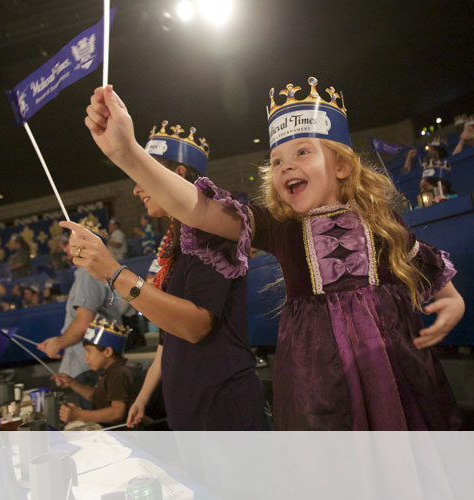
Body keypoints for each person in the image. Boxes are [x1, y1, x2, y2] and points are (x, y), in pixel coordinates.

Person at [82, 80, 463, 430]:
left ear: (343, 165)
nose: (287, 165)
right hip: (320, 381)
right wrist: (127, 153)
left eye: (302, 152)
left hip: (393, 372)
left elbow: (426, 266)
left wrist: (452, 300)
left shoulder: (383, 221)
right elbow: (196, 208)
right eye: (277, 160)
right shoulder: (281, 228)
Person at [64, 121, 266, 430]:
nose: (135, 188)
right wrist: (142, 397)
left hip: (221, 404)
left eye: (144, 175)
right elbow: (167, 337)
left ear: (177, 175)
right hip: (188, 401)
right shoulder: (173, 242)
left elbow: (195, 326)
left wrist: (114, 271)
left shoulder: (212, 228)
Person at [36, 219, 124, 409]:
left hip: (90, 368)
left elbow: (84, 323)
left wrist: (59, 343)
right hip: (92, 365)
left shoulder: (88, 274)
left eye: (70, 243)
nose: (66, 249)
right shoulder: (94, 273)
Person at [52, 318, 136, 429]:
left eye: (89, 351)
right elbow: (96, 395)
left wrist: (78, 415)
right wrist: (72, 383)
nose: (86, 357)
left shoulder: (117, 374)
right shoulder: (109, 370)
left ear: (107, 352)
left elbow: (117, 412)